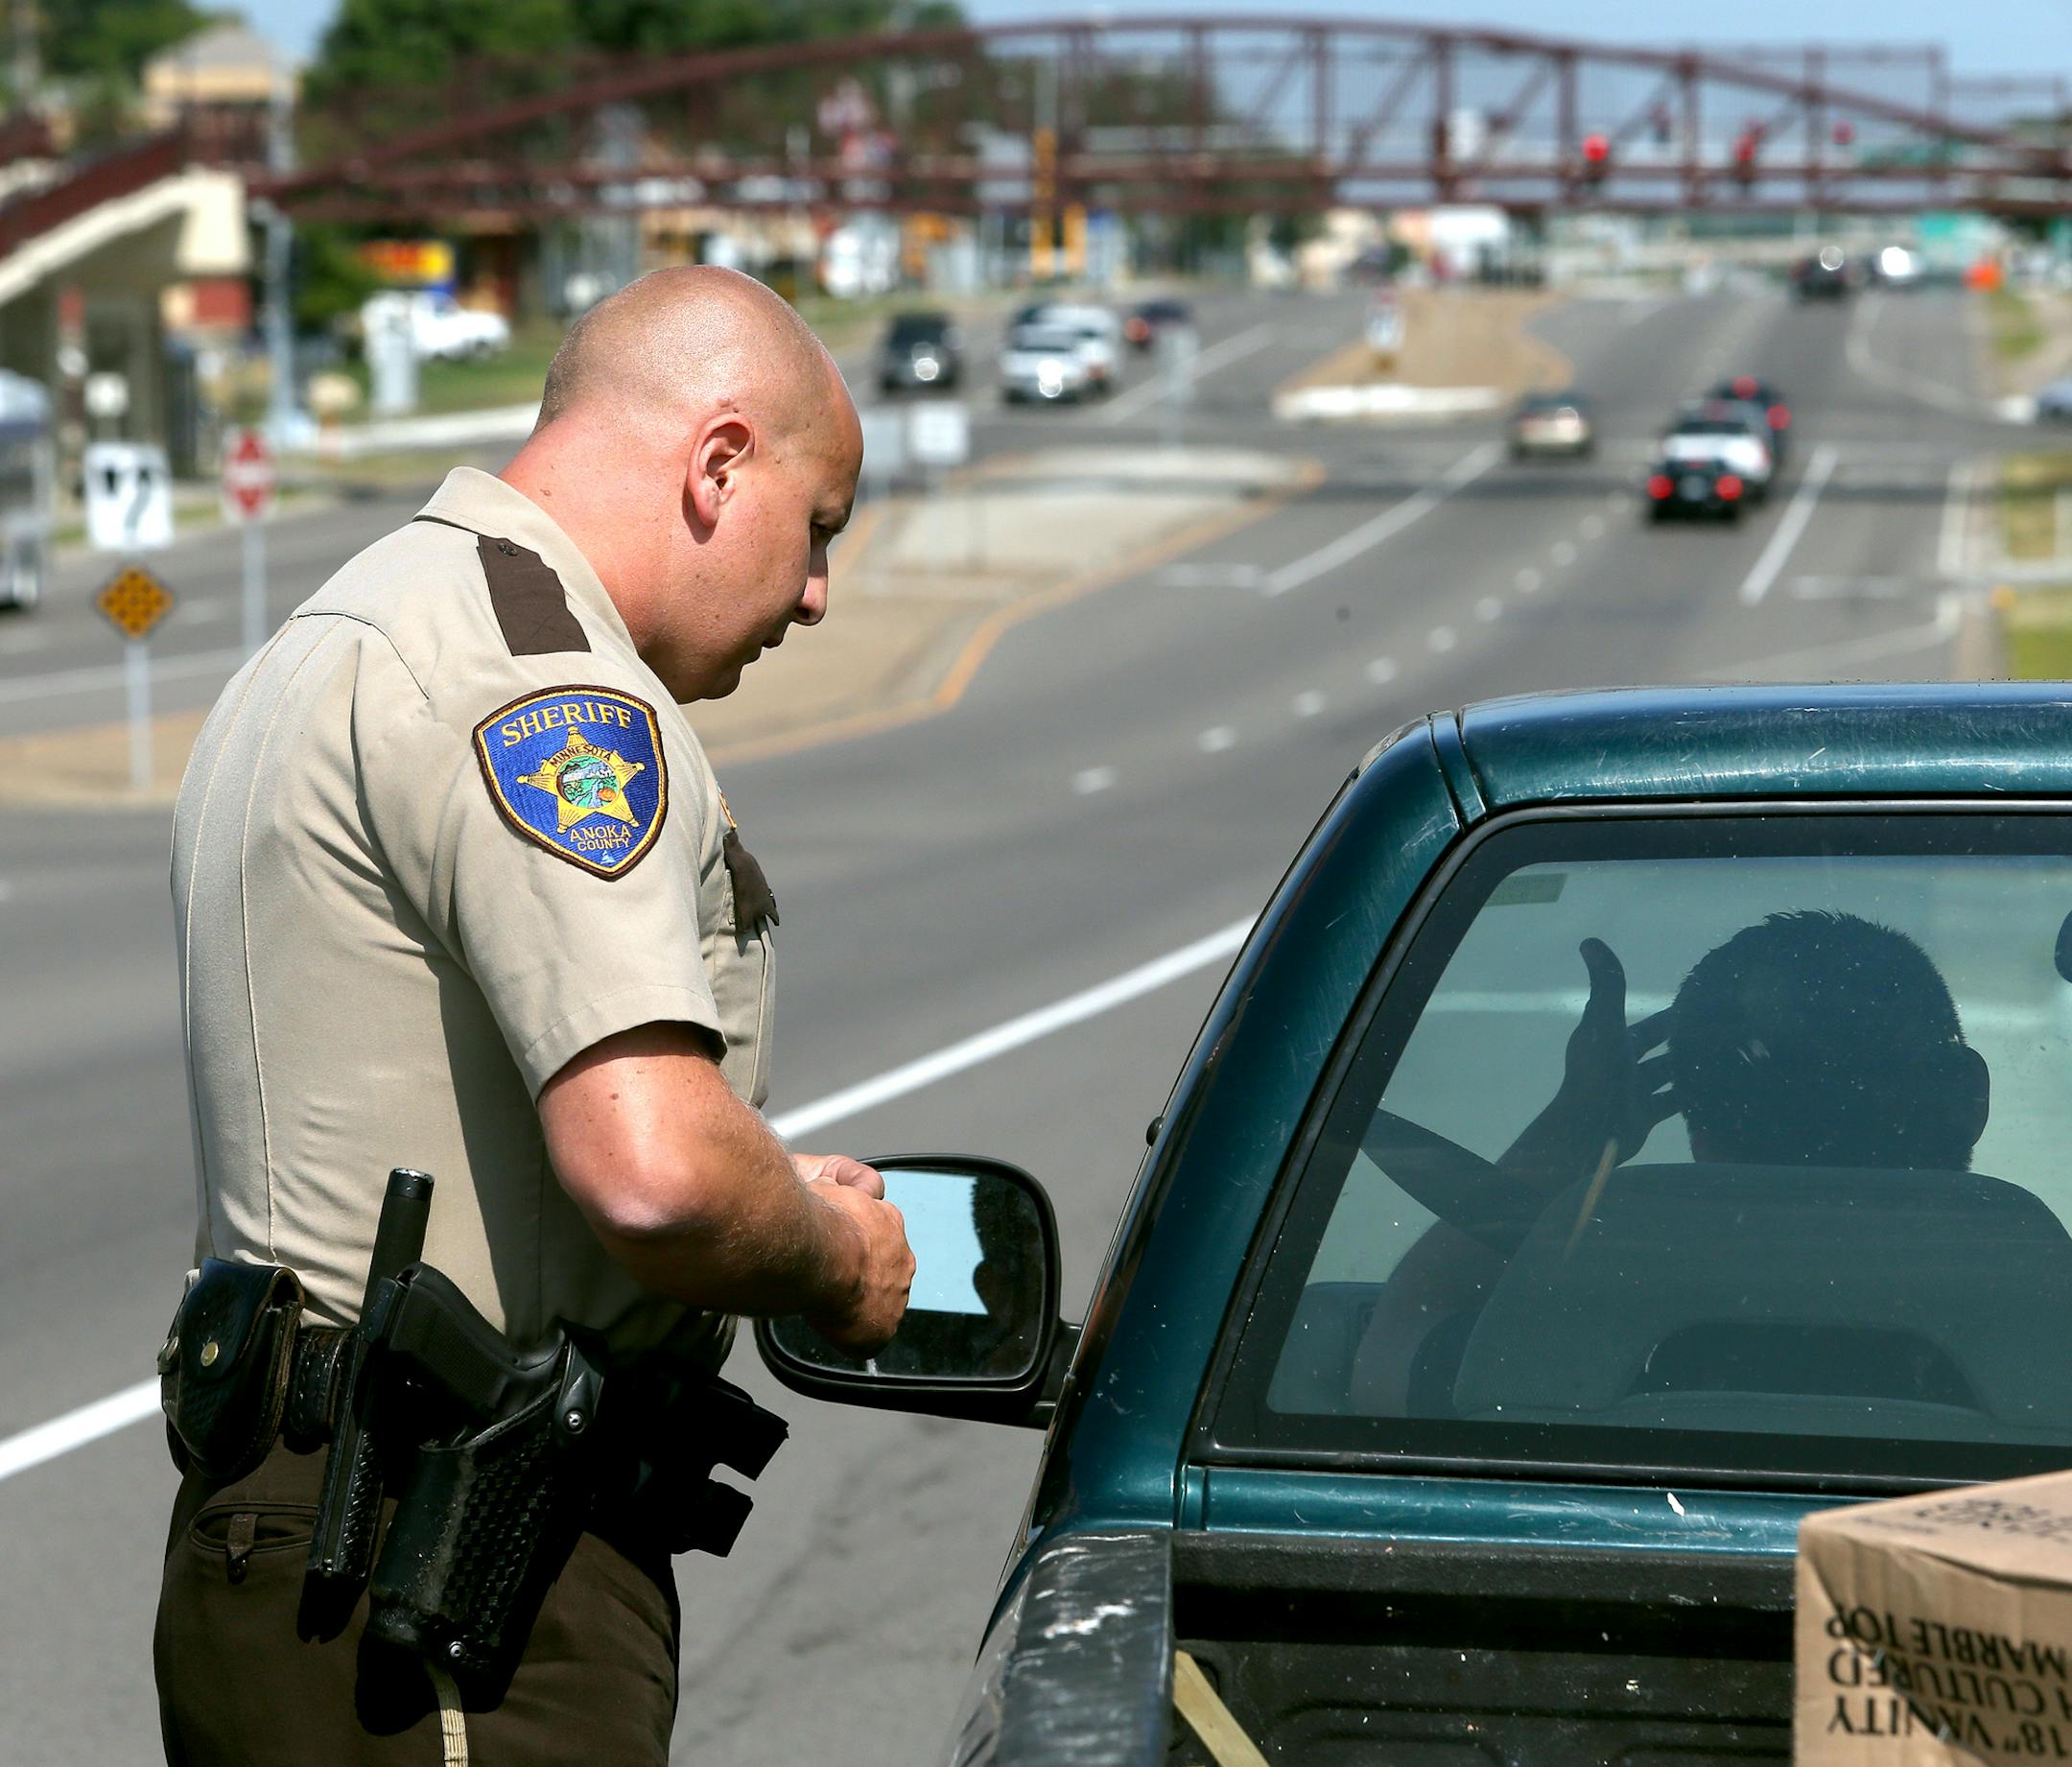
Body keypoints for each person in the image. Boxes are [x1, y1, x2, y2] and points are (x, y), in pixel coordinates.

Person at [153, 267, 915, 1765]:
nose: (818, 589)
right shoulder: (547, 686)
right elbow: (656, 1165)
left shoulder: (340, 629)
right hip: (448, 1577)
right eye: (816, 525)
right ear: (717, 463)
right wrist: (832, 1255)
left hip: (295, 1533)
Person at [1353, 909, 1989, 1415]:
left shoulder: (1566, 1357)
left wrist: (1574, 1130)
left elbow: (1397, 1340)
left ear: (1699, 1131)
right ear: (1968, 1098)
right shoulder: (2049, 1348)